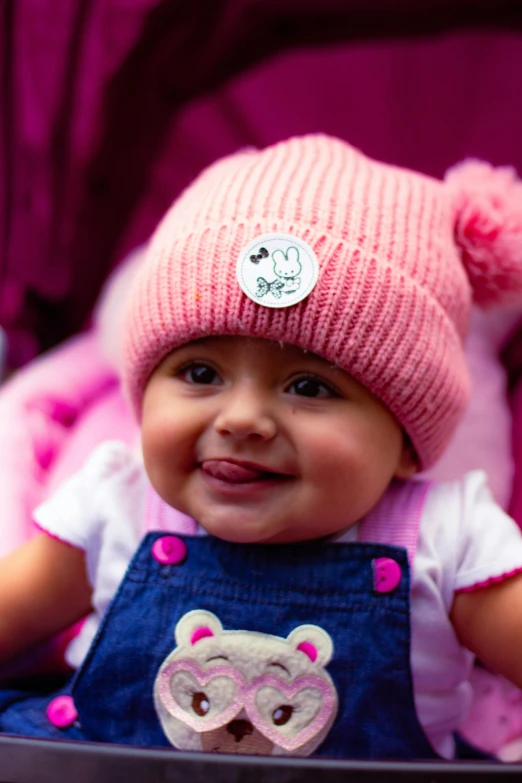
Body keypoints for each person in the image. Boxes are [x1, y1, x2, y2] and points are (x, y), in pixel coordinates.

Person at [1, 134, 522, 760]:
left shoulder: (449, 537)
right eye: (200, 373)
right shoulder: (116, 501)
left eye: (309, 385)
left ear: (407, 444)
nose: (244, 418)